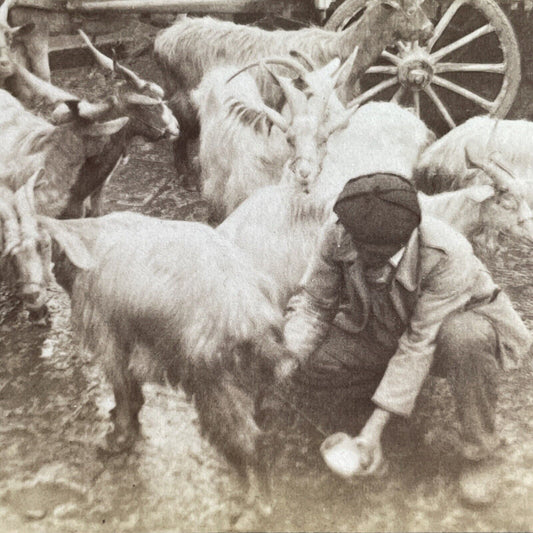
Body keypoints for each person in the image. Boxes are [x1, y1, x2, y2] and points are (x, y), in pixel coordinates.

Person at [278, 173, 532, 504]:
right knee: (312, 361)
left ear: (405, 237)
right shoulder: (342, 232)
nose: (359, 253)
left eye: (372, 253)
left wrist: (375, 428)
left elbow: (418, 343)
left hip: (444, 333)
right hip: (382, 326)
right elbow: (314, 305)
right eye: (357, 243)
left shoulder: (447, 252)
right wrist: (286, 358)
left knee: (466, 339)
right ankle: (383, 407)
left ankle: (480, 452)